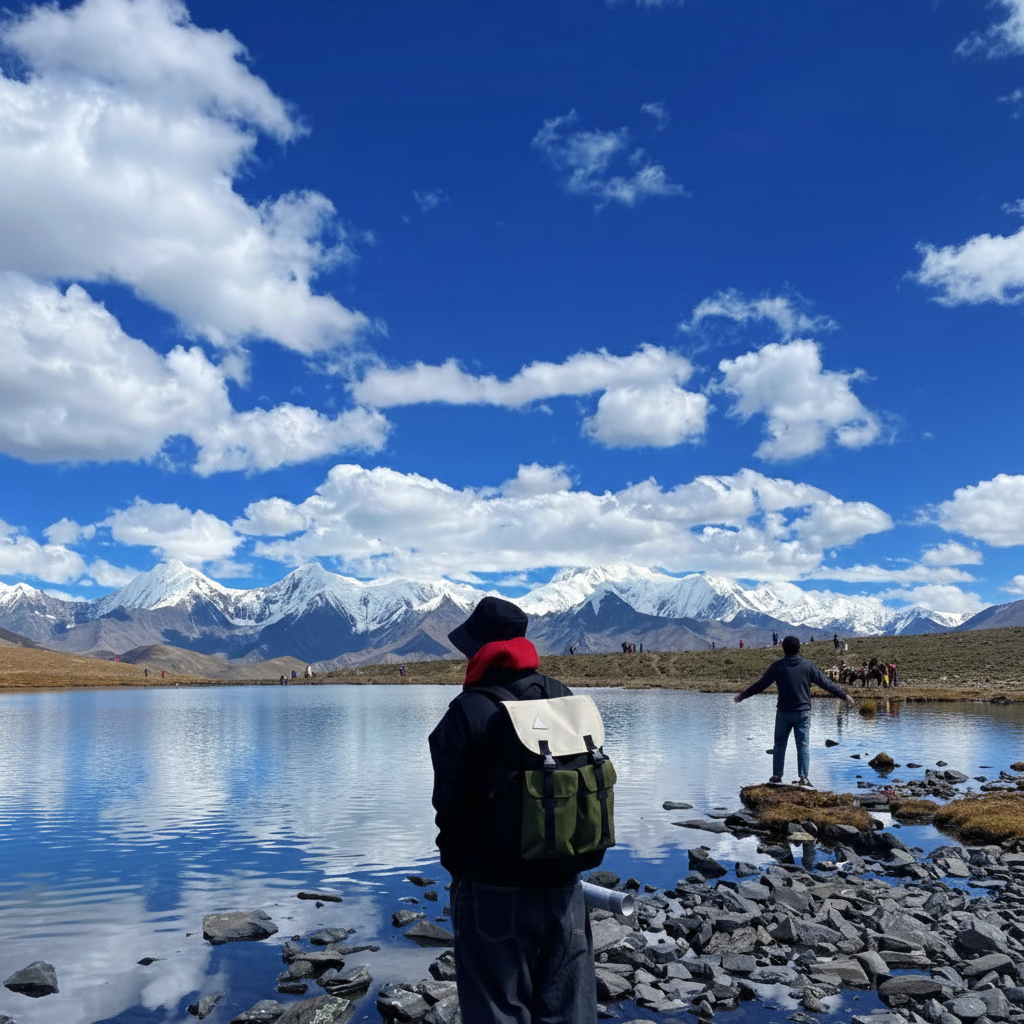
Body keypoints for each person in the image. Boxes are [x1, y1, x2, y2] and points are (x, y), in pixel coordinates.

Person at [429, 596, 599, 1024]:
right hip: (564, 883)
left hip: (491, 887)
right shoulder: (563, 697)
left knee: (497, 1011)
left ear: (480, 649)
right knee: (569, 1010)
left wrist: (460, 872)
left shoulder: (467, 711)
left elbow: (450, 810)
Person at [733, 635, 853, 788]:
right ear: (799, 649)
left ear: (783, 648)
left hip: (783, 712)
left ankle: (777, 777)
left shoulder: (777, 666)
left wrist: (742, 696)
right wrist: (844, 695)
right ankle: (803, 778)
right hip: (803, 713)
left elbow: (761, 685)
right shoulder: (808, 666)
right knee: (802, 745)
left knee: (779, 745)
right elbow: (826, 683)